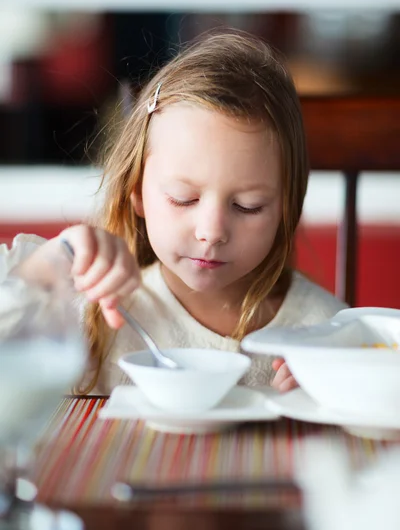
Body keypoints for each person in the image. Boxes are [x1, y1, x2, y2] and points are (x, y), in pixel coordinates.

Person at [0, 30, 346, 396]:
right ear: (137, 193)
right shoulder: (95, 310)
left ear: (285, 207)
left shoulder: (322, 333)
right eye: (183, 198)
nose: (211, 232)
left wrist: (328, 397)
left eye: (248, 206)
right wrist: (48, 267)